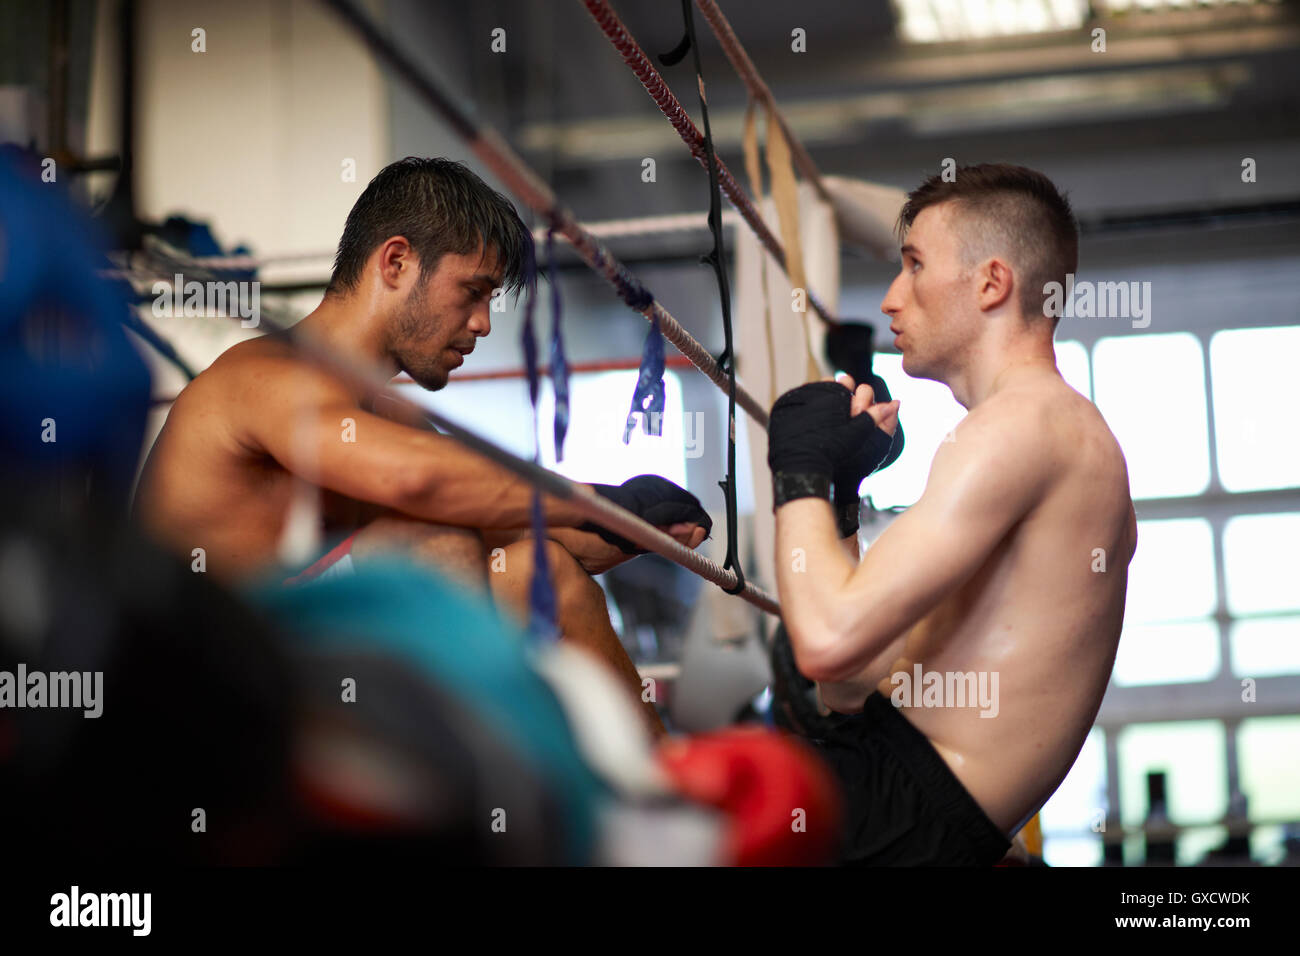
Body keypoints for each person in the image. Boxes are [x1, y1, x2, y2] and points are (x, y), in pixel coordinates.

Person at [134, 157, 711, 736]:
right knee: (432, 533)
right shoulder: (268, 377)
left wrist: (638, 530)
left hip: (294, 662)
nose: (483, 324)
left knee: (543, 569)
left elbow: (528, 527)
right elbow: (416, 482)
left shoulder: (388, 418)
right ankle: (466, 792)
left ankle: (664, 790)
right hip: (198, 693)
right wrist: (591, 500)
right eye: (473, 291)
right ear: (397, 262)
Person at [767, 163, 1136, 864]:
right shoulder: (1042, 431)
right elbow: (849, 680)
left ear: (992, 283)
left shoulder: (1021, 429)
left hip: (908, 807)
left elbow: (825, 642)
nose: (889, 300)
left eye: (913, 265)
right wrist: (838, 494)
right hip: (912, 796)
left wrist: (799, 465)